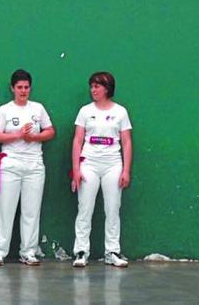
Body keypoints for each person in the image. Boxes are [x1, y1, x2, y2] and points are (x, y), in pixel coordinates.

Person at [0, 69, 55, 266]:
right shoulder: (4, 110)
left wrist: (34, 137)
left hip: (34, 165)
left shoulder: (38, 109)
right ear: (12, 88)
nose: (23, 91)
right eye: (19, 87)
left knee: (31, 211)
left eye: (26, 87)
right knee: (4, 209)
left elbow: (50, 131)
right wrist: (18, 135)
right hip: (9, 164)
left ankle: (28, 252)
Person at [71, 71, 132, 268]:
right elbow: (78, 140)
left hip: (113, 165)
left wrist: (126, 170)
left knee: (113, 208)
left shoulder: (121, 112)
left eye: (97, 86)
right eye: (92, 86)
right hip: (88, 163)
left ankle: (112, 251)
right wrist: (76, 170)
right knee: (85, 208)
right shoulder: (85, 111)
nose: (93, 90)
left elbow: (127, 142)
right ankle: (81, 251)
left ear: (107, 88)